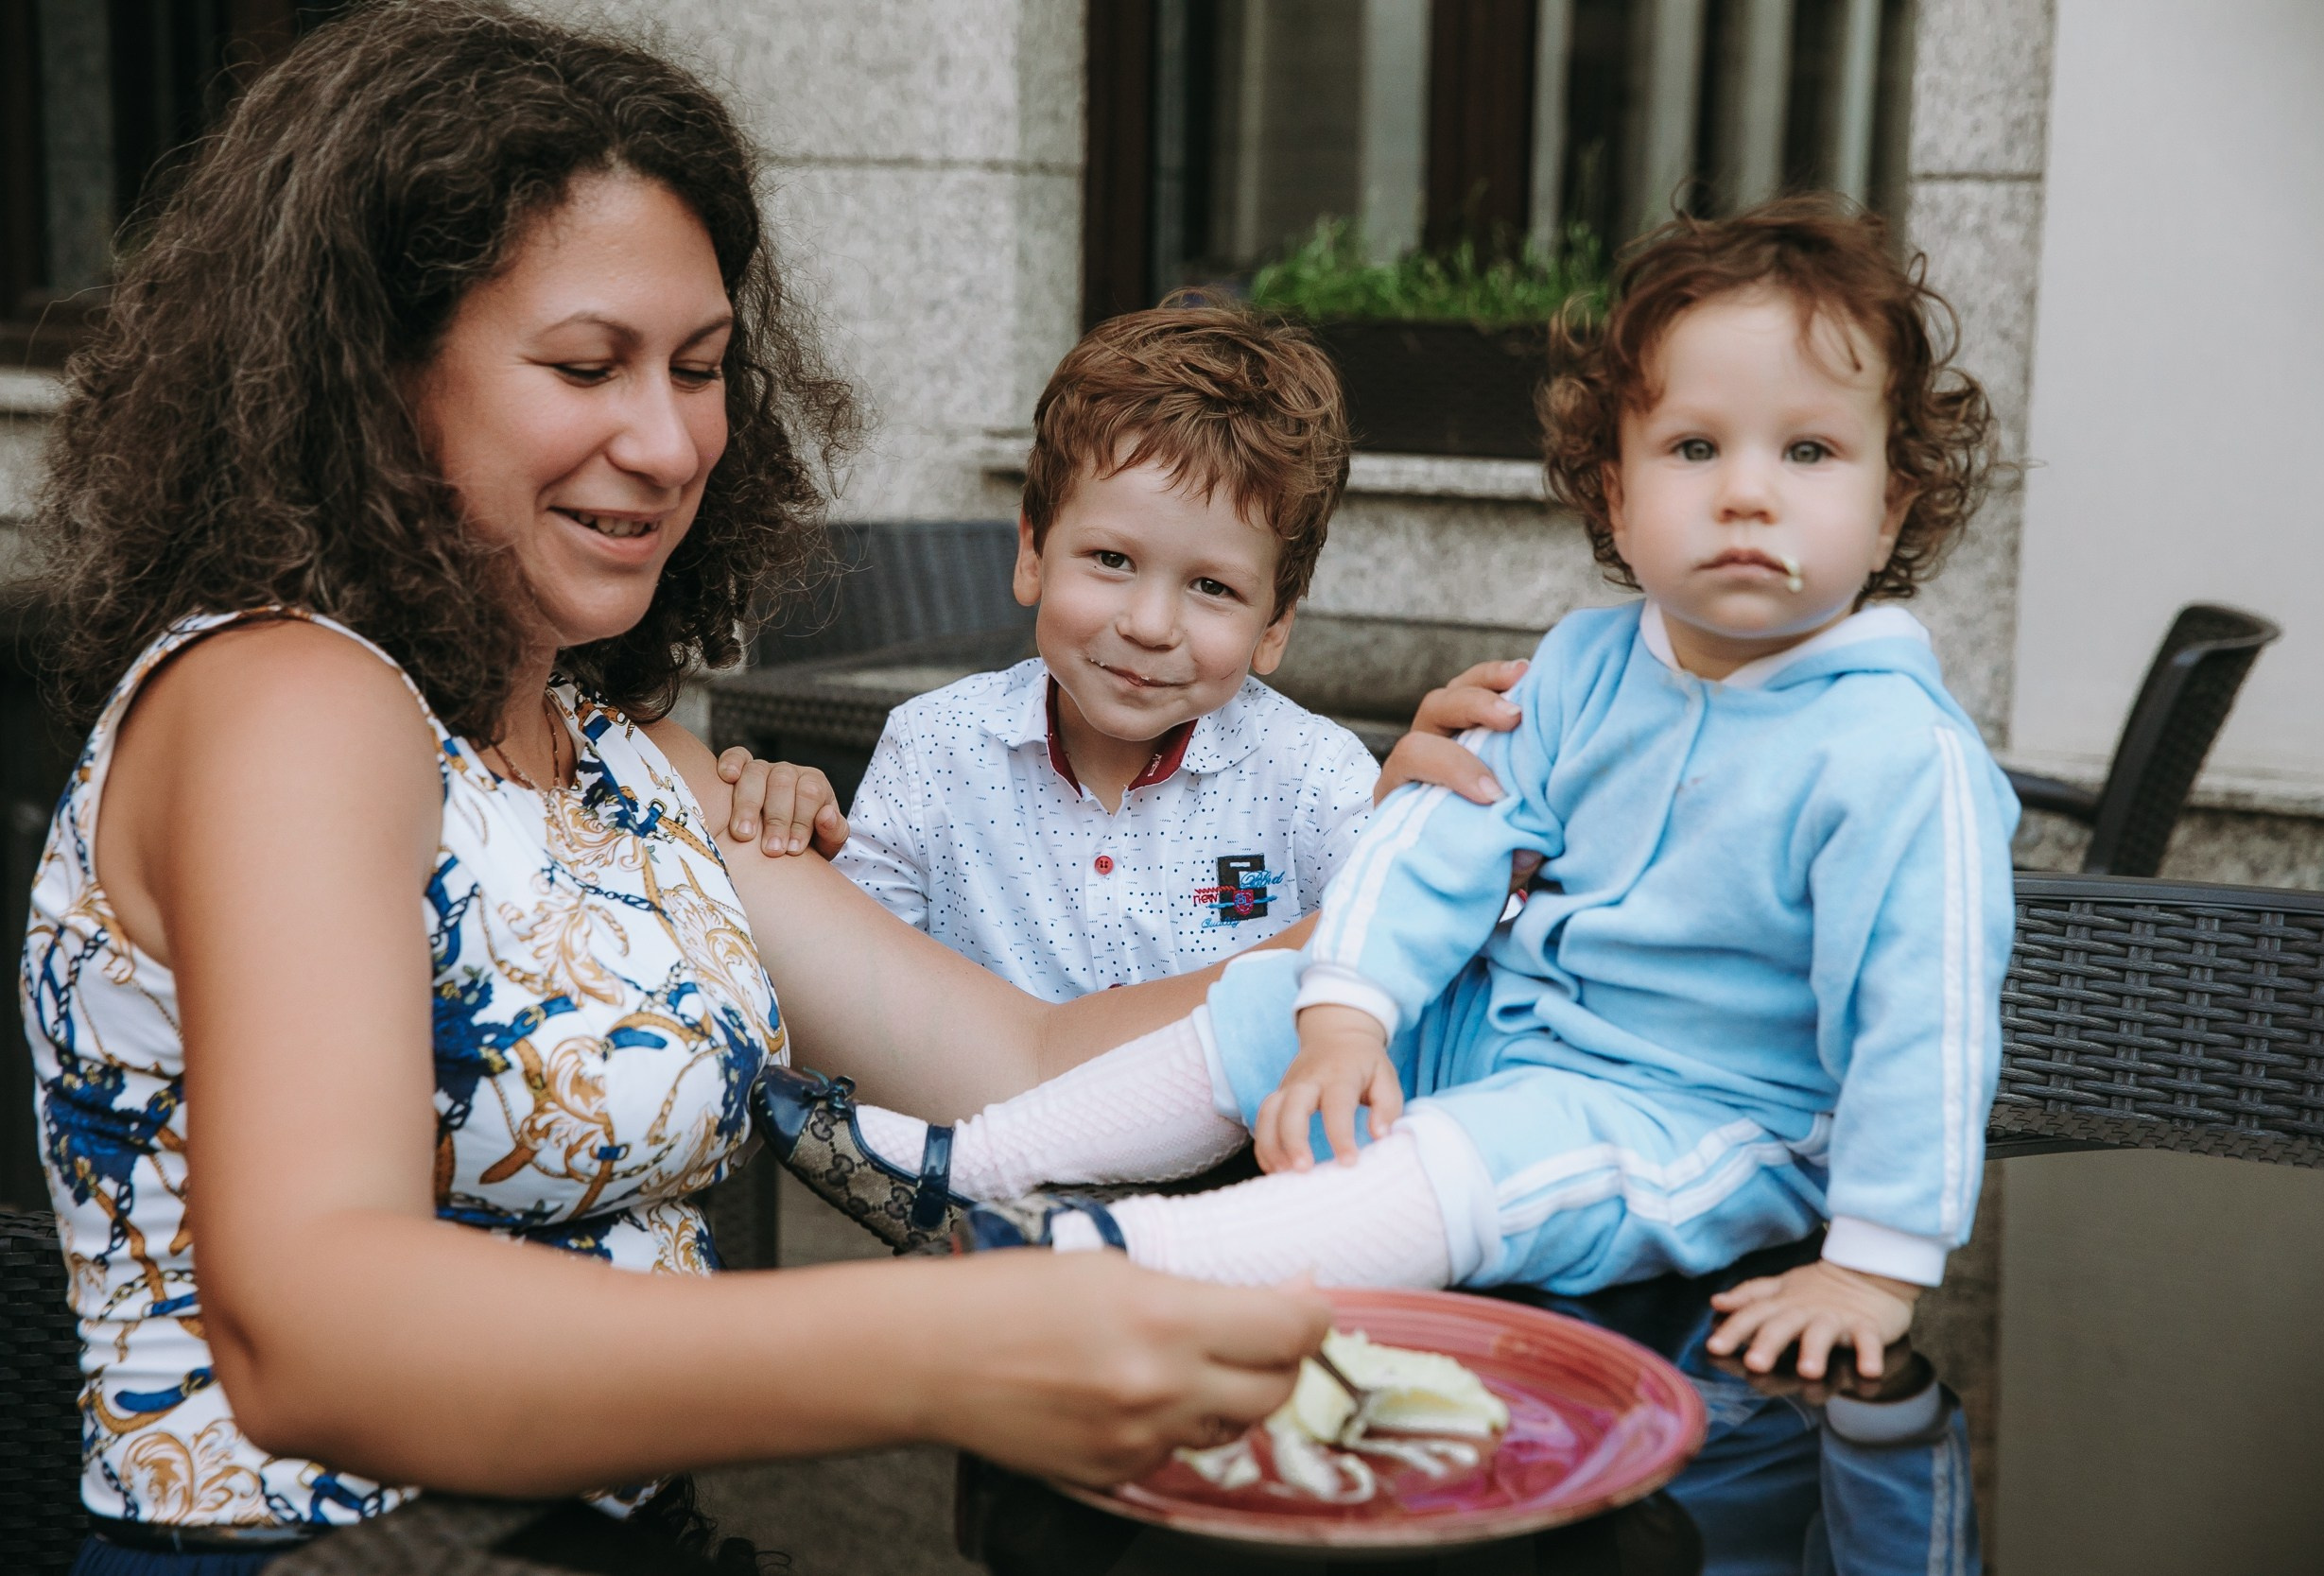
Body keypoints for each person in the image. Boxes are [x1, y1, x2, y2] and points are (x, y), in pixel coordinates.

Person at [23, 6, 1334, 1567]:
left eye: (703, 368)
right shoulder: (284, 701)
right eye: (589, 365)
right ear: (373, 375)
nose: (667, 439)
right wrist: (943, 1347)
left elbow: (1018, 1057)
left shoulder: (629, 758)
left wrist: (1454, 886)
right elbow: (316, 1323)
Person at [768, 197, 2019, 1382]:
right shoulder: (1586, 662)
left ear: (1890, 497)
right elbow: (1439, 837)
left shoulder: (1898, 753)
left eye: (1809, 450)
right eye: (1696, 446)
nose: (1749, 488)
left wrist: (1875, 1265)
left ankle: (1119, 1258)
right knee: (1271, 992)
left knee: (1463, 1163)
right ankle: (973, 1161)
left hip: (1699, 1119)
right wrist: (1349, 1012)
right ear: (1619, 495)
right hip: (1508, 1031)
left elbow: (1928, 1021)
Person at [819, 303, 1379, 1002]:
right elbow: (854, 996)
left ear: (1274, 625)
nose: (1150, 624)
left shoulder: (1315, 781)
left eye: (1212, 586)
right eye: (1112, 558)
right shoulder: (931, 753)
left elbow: (1403, 947)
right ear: (1032, 552)